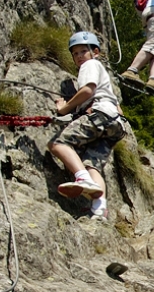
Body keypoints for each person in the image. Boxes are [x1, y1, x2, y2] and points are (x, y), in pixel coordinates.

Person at [50, 31, 132, 220]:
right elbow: (117, 108)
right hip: (115, 124)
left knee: (57, 144)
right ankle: (99, 208)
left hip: (101, 114)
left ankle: (82, 179)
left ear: (95, 52)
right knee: (92, 165)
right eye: (75, 54)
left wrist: (64, 109)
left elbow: (88, 90)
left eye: (82, 52)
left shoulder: (90, 65)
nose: (79, 57)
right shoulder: (105, 78)